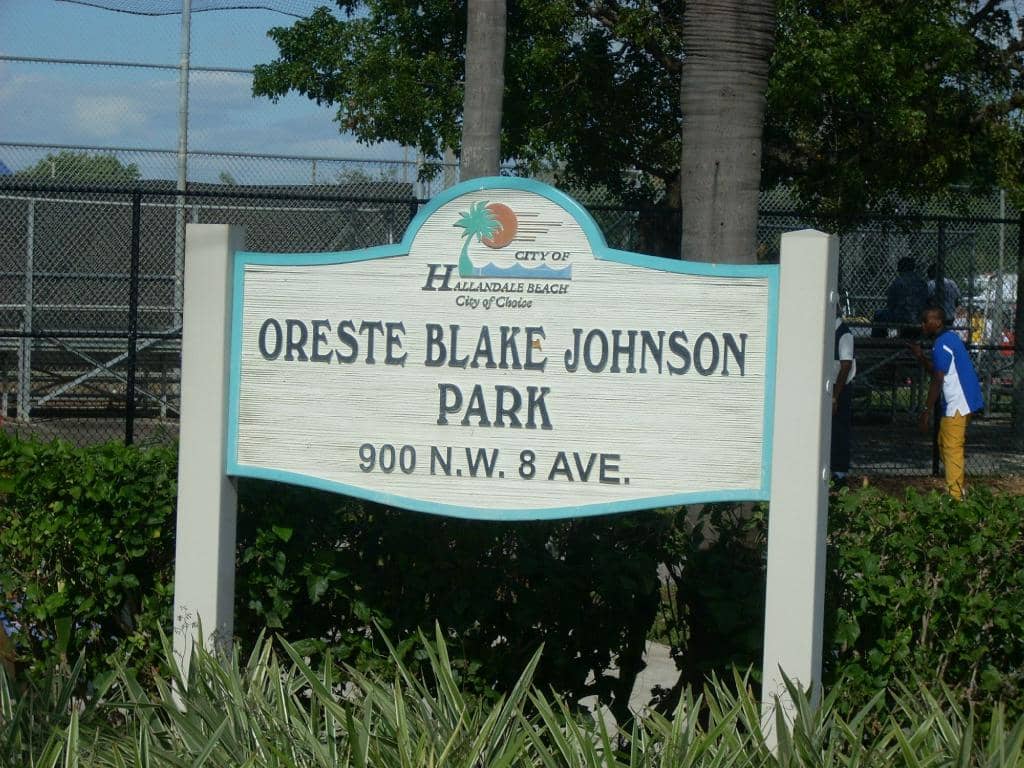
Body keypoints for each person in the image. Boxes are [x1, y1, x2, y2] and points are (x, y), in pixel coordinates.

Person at [908, 306, 984, 500]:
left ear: (938, 322)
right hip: (961, 401)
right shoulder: (947, 340)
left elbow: (937, 378)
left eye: (926, 321)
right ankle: (956, 487)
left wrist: (926, 410)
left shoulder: (942, 343)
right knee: (944, 442)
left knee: (952, 447)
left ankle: (956, 496)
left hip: (959, 402)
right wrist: (920, 357)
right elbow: (937, 370)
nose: (923, 325)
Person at [873, 257, 929, 338]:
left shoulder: (898, 281)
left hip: (901, 317)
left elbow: (890, 304)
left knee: (878, 314)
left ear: (900, 268)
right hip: (919, 316)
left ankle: (877, 341)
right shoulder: (922, 282)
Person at [831, 312, 856, 487]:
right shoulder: (828, 331)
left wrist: (835, 396)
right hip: (829, 387)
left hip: (839, 388)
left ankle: (839, 473)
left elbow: (845, 365)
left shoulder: (844, 333)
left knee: (839, 429)